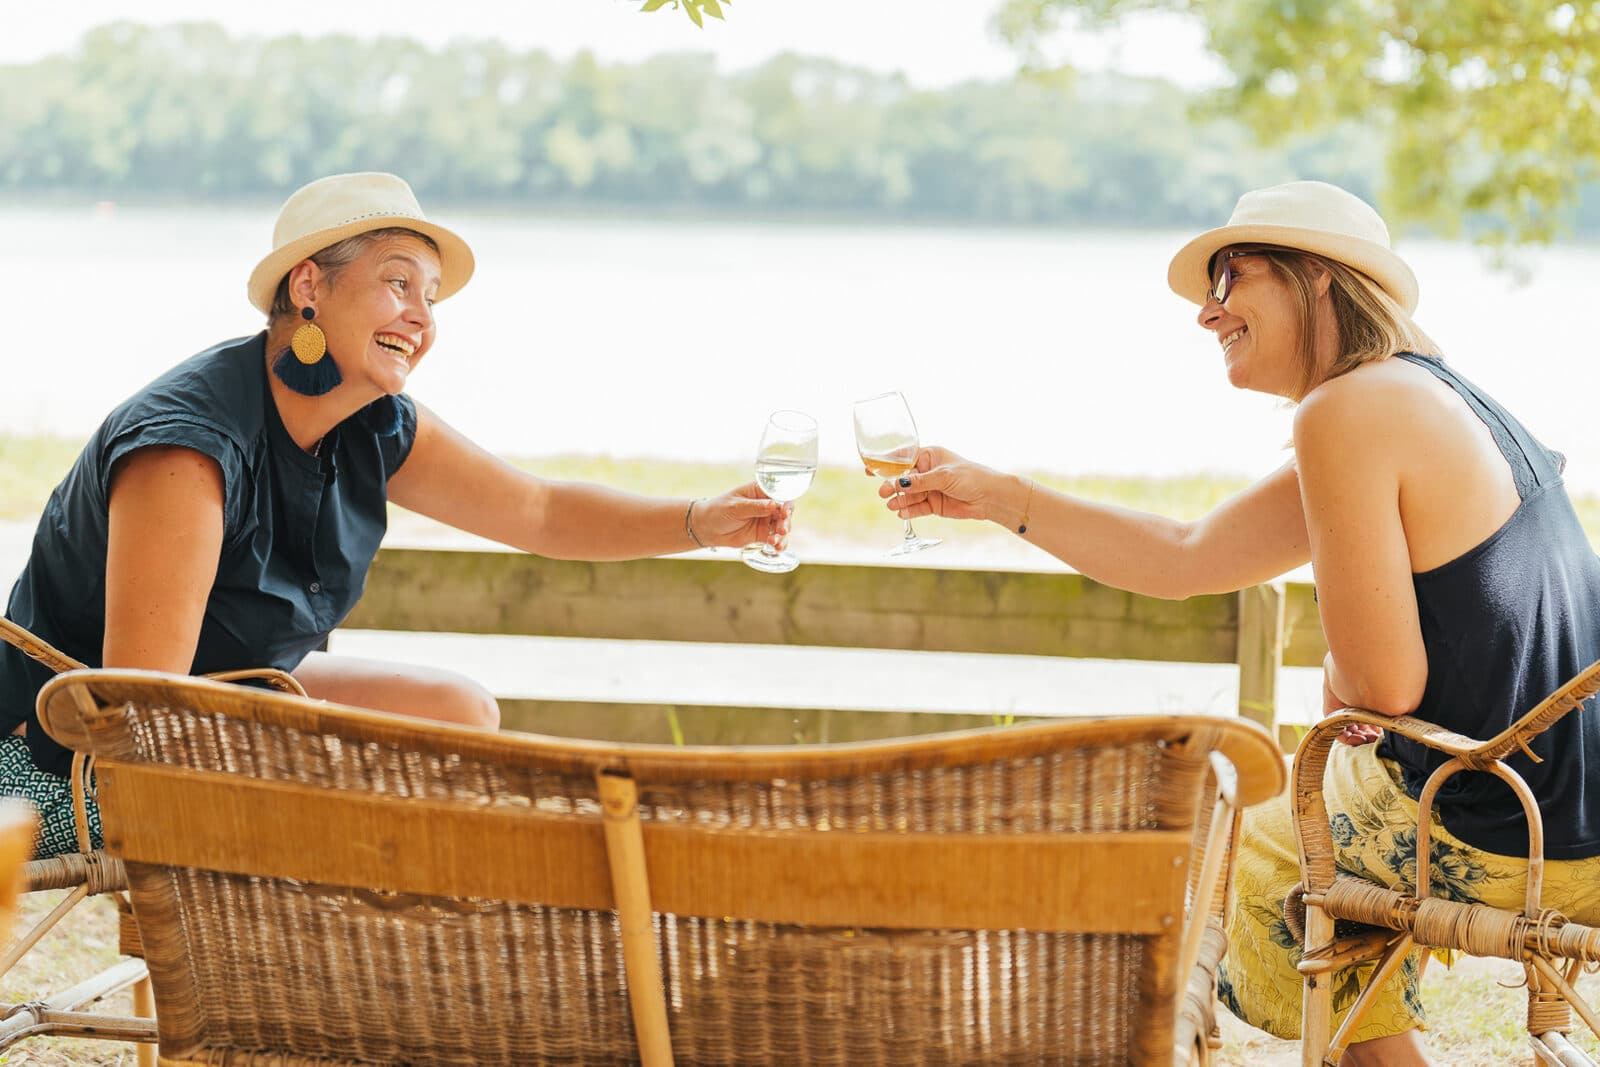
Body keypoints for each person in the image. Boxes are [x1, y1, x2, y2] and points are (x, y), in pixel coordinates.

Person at [877, 180, 1600, 1065]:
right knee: (1298, 816)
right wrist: (998, 496)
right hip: (1572, 805)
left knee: (1259, 842)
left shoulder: (1348, 410)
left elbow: (1380, 688)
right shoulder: (1419, 396)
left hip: (1523, 834)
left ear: (1318, 277)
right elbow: (1187, 554)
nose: (1207, 312)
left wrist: (1341, 675)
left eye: (1231, 277)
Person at [1, 172, 790, 859]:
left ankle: (399, 954)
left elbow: (541, 511)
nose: (422, 319)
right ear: (309, 286)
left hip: (228, 697)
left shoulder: (373, 424)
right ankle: (348, 956)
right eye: (399, 283)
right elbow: (137, 714)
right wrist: (319, 771)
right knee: (382, 804)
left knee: (459, 712)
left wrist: (702, 519)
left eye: (430, 297)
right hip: (60, 761)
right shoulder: (188, 452)